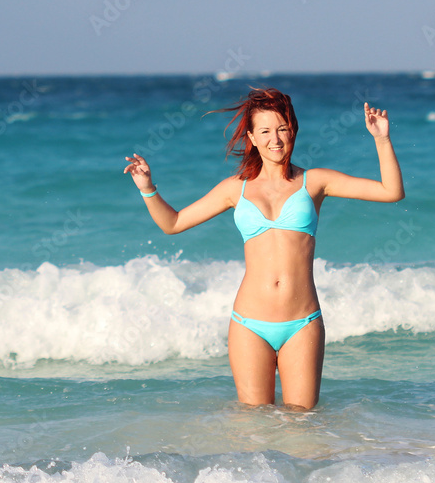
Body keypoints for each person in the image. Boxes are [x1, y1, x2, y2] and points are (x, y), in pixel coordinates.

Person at [123, 88, 404, 409]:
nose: (276, 139)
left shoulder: (315, 181)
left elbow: (391, 191)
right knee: (253, 426)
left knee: (302, 425)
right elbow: (172, 223)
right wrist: (147, 189)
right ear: (252, 137)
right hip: (248, 323)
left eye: (283, 129)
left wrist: (382, 140)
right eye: (266, 131)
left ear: (294, 130)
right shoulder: (234, 189)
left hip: (302, 323)